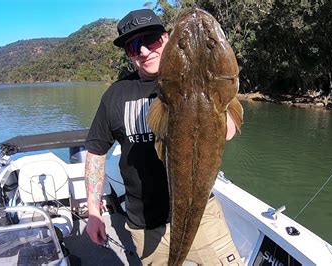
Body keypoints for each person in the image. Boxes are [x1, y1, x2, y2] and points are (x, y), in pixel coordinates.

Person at [85, 9, 243, 265]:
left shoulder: (211, 85)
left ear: (167, 39)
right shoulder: (116, 95)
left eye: (151, 41)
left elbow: (227, 133)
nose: (144, 52)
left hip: (203, 217)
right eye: (133, 47)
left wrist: (219, 89)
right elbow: (96, 152)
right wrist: (93, 212)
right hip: (144, 224)